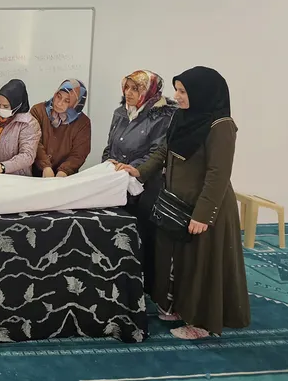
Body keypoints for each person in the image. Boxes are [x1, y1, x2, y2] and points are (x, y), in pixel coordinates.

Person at [117, 67, 250, 339]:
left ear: (202, 93)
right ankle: (178, 307)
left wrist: (203, 214)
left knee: (201, 265)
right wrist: (139, 171)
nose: (176, 96)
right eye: (177, 90)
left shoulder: (221, 126)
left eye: (183, 91)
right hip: (177, 203)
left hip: (204, 208)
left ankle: (202, 324)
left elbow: (218, 174)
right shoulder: (181, 117)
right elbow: (165, 150)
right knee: (177, 260)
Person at [103, 70, 176, 293]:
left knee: (142, 236)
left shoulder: (161, 117)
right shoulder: (120, 113)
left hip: (144, 186)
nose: (129, 93)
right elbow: (109, 147)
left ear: (149, 90)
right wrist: (109, 164)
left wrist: (132, 169)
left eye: (136, 89)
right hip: (118, 184)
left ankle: (143, 288)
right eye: (127, 87)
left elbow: (157, 153)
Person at [30, 79, 92, 177]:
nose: (59, 103)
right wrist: (45, 166)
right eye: (58, 97)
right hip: (36, 173)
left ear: (76, 104)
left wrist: (64, 171)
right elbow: (34, 141)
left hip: (65, 177)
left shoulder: (83, 123)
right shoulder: (38, 111)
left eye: (67, 101)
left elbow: (79, 153)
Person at [0, 79, 41, 175]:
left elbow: (27, 155)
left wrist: (2, 167)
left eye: (6, 106)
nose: (1, 109)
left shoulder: (28, 123)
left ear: (17, 105)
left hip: (14, 176)